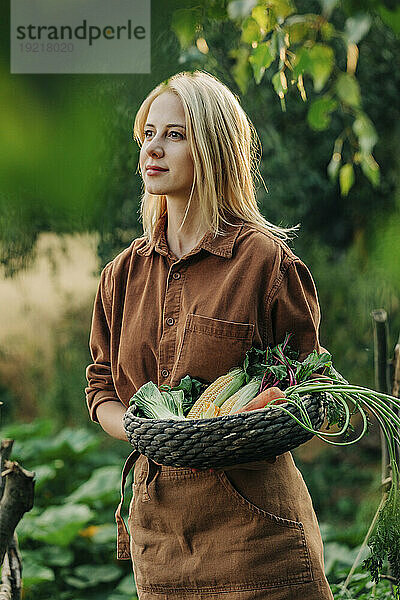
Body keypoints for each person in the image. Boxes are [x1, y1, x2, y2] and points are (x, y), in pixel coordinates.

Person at [85, 70, 334, 600]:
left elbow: (317, 396)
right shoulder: (121, 277)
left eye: (175, 135)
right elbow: (102, 388)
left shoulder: (264, 264)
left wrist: (252, 421)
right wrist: (145, 432)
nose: (154, 148)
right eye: (148, 133)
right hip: (161, 546)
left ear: (214, 148)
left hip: (260, 546)